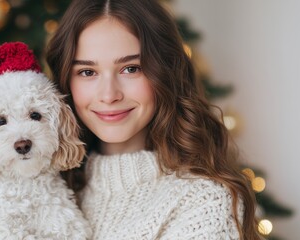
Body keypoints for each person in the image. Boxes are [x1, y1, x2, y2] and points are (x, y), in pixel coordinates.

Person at [45, 0, 261, 239]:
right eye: (87, 72)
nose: (109, 95)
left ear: (163, 72)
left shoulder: (205, 200)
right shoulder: (47, 187)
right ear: (66, 81)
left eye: (131, 68)